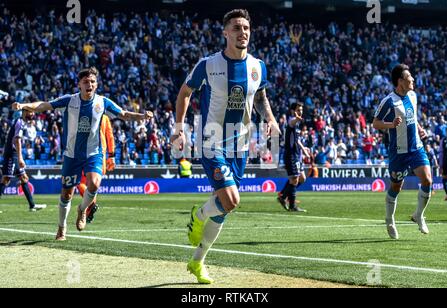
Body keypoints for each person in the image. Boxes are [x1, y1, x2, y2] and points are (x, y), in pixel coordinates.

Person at [170, 9, 280, 284]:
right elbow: (185, 92)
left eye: (246, 28)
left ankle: (197, 261)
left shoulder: (258, 66)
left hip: (240, 143)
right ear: (225, 33)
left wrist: (270, 119)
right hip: (211, 139)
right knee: (231, 200)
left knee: (226, 208)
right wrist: (179, 128)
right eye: (236, 28)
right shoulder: (208, 65)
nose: (242, 32)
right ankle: (198, 214)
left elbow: (261, 95)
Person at [13, 67, 153, 241]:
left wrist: (142, 116)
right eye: (86, 82)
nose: (90, 84)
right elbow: (44, 105)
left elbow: (124, 114)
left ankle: (82, 210)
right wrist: (25, 105)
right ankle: (61, 227)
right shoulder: (69, 101)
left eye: (93, 82)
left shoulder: (103, 102)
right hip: (72, 155)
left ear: (96, 84)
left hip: (93, 153)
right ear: (79, 84)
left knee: (94, 183)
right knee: (66, 194)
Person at [373, 64, 432, 240]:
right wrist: (391, 124)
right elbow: (375, 123)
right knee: (396, 186)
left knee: (428, 180)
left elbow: (412, 116)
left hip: (416, 148)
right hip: (399, 152)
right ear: (400, 81)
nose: (412, 79)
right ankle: (389, 219)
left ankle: (418, 215)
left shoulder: (413, 96)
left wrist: (420, 128)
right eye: (409, 77)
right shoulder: (389, 101)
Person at [0, 109, 47, 211]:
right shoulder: (20, 122)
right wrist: (20, 157)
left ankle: (32, 205)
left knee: (24, 178)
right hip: (12, 155)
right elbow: (17, 140)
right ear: (25, 112)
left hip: (14, 154)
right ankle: (32, 205)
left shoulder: (22, 123)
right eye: (31, 112)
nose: (33, 114)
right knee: (6, 180)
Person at [77, 114, 116, 223]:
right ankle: (89, 212)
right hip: (102, 157)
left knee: (80, 182)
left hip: (88, 154)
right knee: (93, 185)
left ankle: (91, 205)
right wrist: (112, 156)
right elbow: (110, 136)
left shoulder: (84, 115)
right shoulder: (105, 118)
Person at [277, 103, 309, 212]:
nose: (300, 111)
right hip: (290, 155)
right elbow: (291, 122)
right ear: (293, 111)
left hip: (296, 155)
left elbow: (296, 139)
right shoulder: (291, 121)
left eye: (301, 110)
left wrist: (303, 148)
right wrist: (296, 119)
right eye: (298, 110)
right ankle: (289, 203)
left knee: (302, 178)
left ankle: (283, 196)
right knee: (294, 180)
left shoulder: (297, 124)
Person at [439, 126, 447, 200]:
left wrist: (440, 165)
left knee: (445, 178)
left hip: (446, 162)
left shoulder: (444, 139)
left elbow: (441, 153)